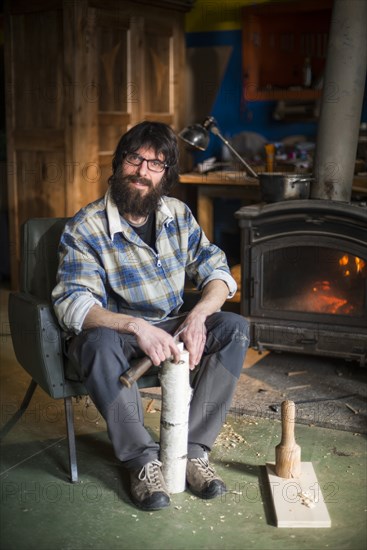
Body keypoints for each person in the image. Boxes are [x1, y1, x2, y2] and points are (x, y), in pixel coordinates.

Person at [52, 121, 249, 511]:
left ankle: (191, 451)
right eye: (135, 159)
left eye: (155, 164)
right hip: (117, 335)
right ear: (118, 163)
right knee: (97, 343)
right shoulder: (86, 228)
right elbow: (72, 303)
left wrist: (196, 317)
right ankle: (141, 462)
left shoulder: (177, 214)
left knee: (234, 328)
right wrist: (134, 326)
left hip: (172, 325)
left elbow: (218, 273)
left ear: (166, 174)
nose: (143, 171)